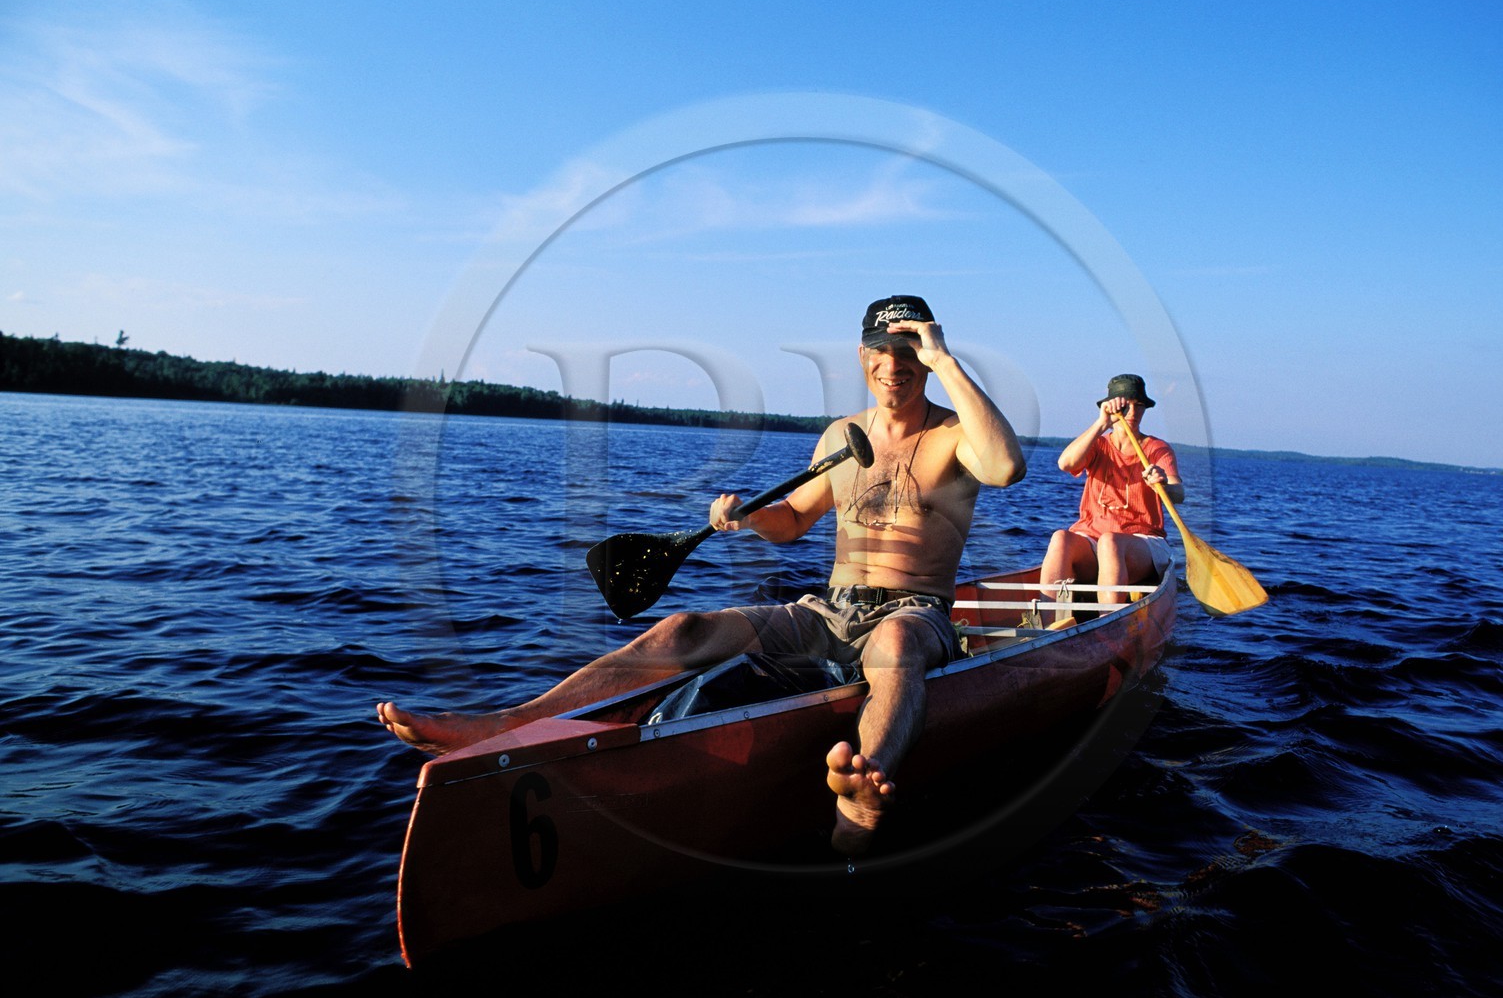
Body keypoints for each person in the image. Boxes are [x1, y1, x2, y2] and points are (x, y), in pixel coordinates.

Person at [378, 295, 1026, 855]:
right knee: (684, 628)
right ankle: (511, 722)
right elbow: (796, 519)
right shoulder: (840, 434)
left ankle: (864, 785)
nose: (896, 362)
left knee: (897, 647)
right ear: (864, 356)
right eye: (885, 348)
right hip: (828, 609)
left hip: (913, 611)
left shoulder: (954, 435)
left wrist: (945, 357)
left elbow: (1006, 468)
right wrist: (749, 516)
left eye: (911, 348)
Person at [1039, 374, 1183, 614]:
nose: (1133, 413)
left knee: (1111, 542)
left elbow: (1179, 494)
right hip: (1093, 539)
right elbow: (1065, 463)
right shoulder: (1098, 444)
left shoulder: (1157, 449)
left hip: (1143, 542)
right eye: (1127, 406)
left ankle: (1108, 623)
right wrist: (1101, 424)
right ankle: (1047, 627)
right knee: (1060, 538)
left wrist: (1163, 483)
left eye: (1140, 406)